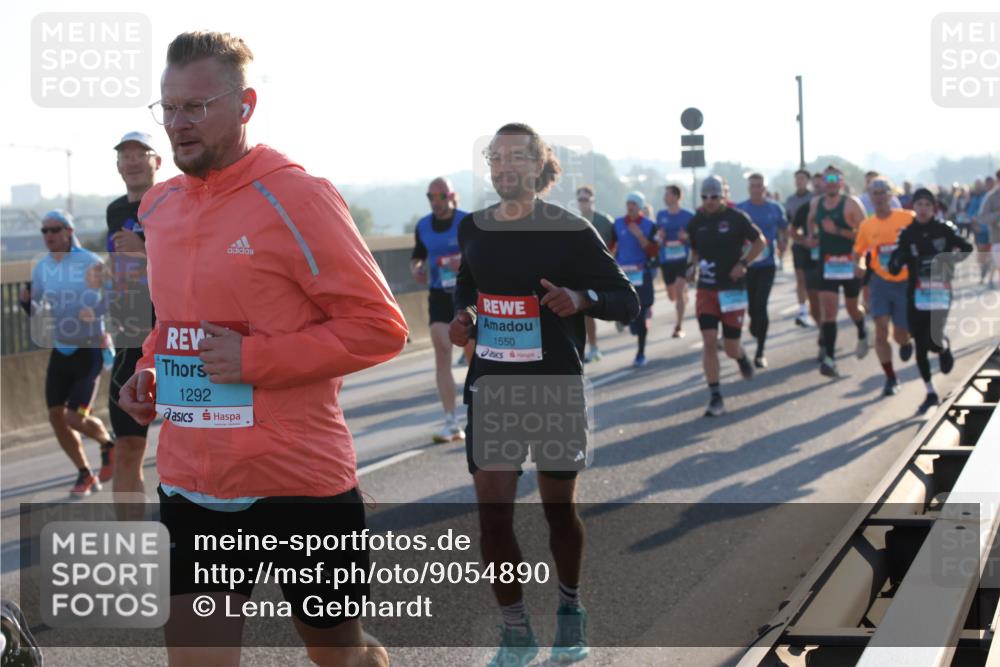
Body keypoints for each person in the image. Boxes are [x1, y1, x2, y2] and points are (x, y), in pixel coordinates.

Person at [117, 30, 406, 667]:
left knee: (338, 658)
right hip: (193, 483)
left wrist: (254, 361)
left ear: (244, 105)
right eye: (168, 107)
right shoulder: (160, 206)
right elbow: (172, 323)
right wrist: (146, 374)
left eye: (197, 106)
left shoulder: (297, 195)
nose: (179, 124)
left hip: (297, 483)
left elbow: (380, 325)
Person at [449, 122, 638, 666]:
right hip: (493, 388)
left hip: (554, 386)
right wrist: (467, 315)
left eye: (517, 157)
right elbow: (468, 283)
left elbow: (626, 299)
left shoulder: (569, 229)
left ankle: (570, 611)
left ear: (538, 166)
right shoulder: (474, 227)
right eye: (497, 158)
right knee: (492, 517)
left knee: (559, 511)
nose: (505, 166)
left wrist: (581, 297)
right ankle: (515, 632)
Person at [19, 210, 116, 497]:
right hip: (62, 349)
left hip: (90, 349)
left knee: (75, 417)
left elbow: (114, 295)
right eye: (44, 231)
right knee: (55, 416)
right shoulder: (42, 267)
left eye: (54, 229)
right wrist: (26, 303)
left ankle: (108, 443)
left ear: (69, 231)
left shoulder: (90, 261)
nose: (48, 235)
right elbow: (34, 308)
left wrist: (96, 310)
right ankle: (85, 473)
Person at [104, 131, 161, 496]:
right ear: (118, 166)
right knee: (127, 448)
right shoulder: (115, 211)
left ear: (157, 162)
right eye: (126, 155)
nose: (133, 161)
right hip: (129, 339)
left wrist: (145, 250)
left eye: (141, 153)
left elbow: (195, 263)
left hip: (172, 336)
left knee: (196, 443)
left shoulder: (173, 201)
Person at [888, 188, 973, 414]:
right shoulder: (907, 234)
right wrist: (896, 262)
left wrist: (949, 260)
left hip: (940, 292)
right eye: (919, 204)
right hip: (916, 294)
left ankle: (943, 348)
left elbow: (967, 248)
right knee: (920, 344)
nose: (923, 208)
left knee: (933, 341)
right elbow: (897, 262)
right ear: (913, 208)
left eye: (927, 204)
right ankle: (930, 392)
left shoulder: (944, 230)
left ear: (933, 207)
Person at [686, 175, 764, 417]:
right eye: (705, 196)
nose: (709, 201)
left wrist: (743, 263)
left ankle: (740, 357)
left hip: (732, 289)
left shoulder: (736, 218)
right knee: (709, 341)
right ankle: (716, 396)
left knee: (730, 348)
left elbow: (759, 242)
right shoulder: (696, 221)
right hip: (706, 290)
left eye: (714, 196)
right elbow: (695, 251)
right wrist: (691, 267)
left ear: (723, 196)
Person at [410, 177, 472, 443]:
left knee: (474, 357)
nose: (436, 202)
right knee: (443, 354)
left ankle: (480, 413)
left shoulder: (467, 222)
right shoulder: (423, 226)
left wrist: (464, 261)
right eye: (431, 197)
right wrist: (417, 269)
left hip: (468, 295)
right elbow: (417, 255)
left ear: (452, 196)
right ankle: (451, 421)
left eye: (441, 196)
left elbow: (486, 255)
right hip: (439, 296)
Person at [853, 178, 914, 396]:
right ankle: (890, 378)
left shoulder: (907, 218)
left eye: (882, 192)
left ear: (890, 195)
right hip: (880, 281)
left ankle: (906, 342)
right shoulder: (867, 225)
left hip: (905, 281)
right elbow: (859, 251)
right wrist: (859, 265)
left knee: (900, 335)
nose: (878, 197)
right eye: (874, 193)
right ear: (869, 197)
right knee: (880, 330)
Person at [808, 165, 870, 378]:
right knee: (829, 311)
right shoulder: (816, 204)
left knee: (853, 308)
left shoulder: (851, 204)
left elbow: (865, 236)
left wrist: (839, 231)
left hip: (849, 263)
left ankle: (862, 331)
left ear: (841, 182)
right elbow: (810, 225)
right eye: (827, 178)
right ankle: (830, 359)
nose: (831, 182)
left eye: (835, 178)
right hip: (828, 265)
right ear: (823, 182)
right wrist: (812, 237)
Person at [736, 173, 788, 368]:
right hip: (747, 265)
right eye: (753, 186)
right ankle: (755, 325)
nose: (756, 189)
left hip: (767, 265)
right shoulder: (741, 209)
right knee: (752, 306)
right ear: (749, 188)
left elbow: (784, 229)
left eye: (759, 185)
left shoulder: (774, 208)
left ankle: (760, 352)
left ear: (765, 188)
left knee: (761, 304)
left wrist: (783, 242)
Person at [611, 191, 659, 367]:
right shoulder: (617, 224)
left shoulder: (649, 225)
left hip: (642, 275)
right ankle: (624, 319)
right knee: (626, 313)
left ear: (640, 207)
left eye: (634, 204)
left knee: (641, 315)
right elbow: (610, 248)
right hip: (623, 275)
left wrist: (640, 236)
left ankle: (640, 353)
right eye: (628, 204)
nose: (630, 207)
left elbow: (655, 253)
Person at [575, 185, 616, 362]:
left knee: (606, 309)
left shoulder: (604, 221)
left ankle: (618, 317)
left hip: (604, 272)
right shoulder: (574, 222)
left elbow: (616, 242)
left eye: (586, 199)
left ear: (593, 200)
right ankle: (593, 347)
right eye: (580, 200)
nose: (583, 203)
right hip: (585, 274)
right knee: (587, 311)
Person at [656, 184, 694, 338]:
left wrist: (687, 238)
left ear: (677, 197)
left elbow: (695, 238)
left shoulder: (688, 216)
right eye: (664, 195)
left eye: (668, 194)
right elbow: (658, 239)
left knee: (678, 289)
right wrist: (661, 237)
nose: (665, 197)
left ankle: (679, 326)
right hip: (667, 259)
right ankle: (682, 294)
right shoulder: (660, 215)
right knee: (672, 295)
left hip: (683, 259)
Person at [785, 169, 816, 328]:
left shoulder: (814, 199)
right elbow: (789, 225)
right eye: (797, 179)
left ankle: (815, 309)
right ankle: (803, 311)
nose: (799, 181)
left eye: (802, 178)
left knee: (814, 281)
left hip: (815, 245)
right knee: (800, 279)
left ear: (808, 181)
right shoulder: (790, 200)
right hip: (799, 244)